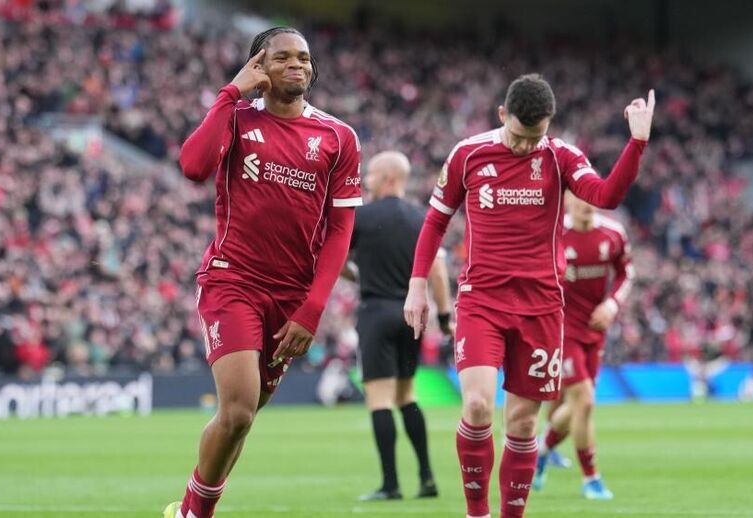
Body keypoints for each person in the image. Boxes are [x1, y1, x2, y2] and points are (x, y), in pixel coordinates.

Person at [404, 74, 654, 518]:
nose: (525, 147)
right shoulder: (469, 153)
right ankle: (476, 512)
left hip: (541, 306)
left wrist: (636, 142)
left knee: (521, 423)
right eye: (518, 136)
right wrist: (418, 285)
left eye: (534, 138)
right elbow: (435, 221)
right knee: (479, 405)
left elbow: (606, 195)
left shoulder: (559, 156)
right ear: (502, 115)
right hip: (482, 300)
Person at [164, 27, 362, 518]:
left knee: (243, 419)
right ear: (260, 66)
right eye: (283, 57)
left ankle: (189, 506)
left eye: (304, 58)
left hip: (293, 298)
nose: (297, 65)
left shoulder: (338, 137)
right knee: (235, 409)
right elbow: (192, 166)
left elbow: (340, 233)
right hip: (232, 280)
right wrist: (231, 92)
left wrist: (313, 309)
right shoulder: (235, 117)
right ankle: (194, 514)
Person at [344, 151, 454, 501]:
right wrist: (443, 315)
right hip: (411, 316)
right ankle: (427, 478)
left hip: (375, 312)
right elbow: (436, 270)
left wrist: (357, 275)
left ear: (389, 178)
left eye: (372, 175)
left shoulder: (360, 218)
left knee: (379, 400)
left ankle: (391, 484)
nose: (366, 181)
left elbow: (334, 261)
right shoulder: (422, 218)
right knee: (408, 395)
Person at [533, 192, 634, 499]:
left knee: (577, 405)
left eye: (591, 197)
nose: (586, 204)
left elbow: (626, 273)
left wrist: (612, 305)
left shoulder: (613, 234)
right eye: (579, 198)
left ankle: (541, 450)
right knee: (585, 401)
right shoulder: (555, 234)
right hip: (562, 330)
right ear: (567, 202)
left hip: (595, 331)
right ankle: (591, 479)